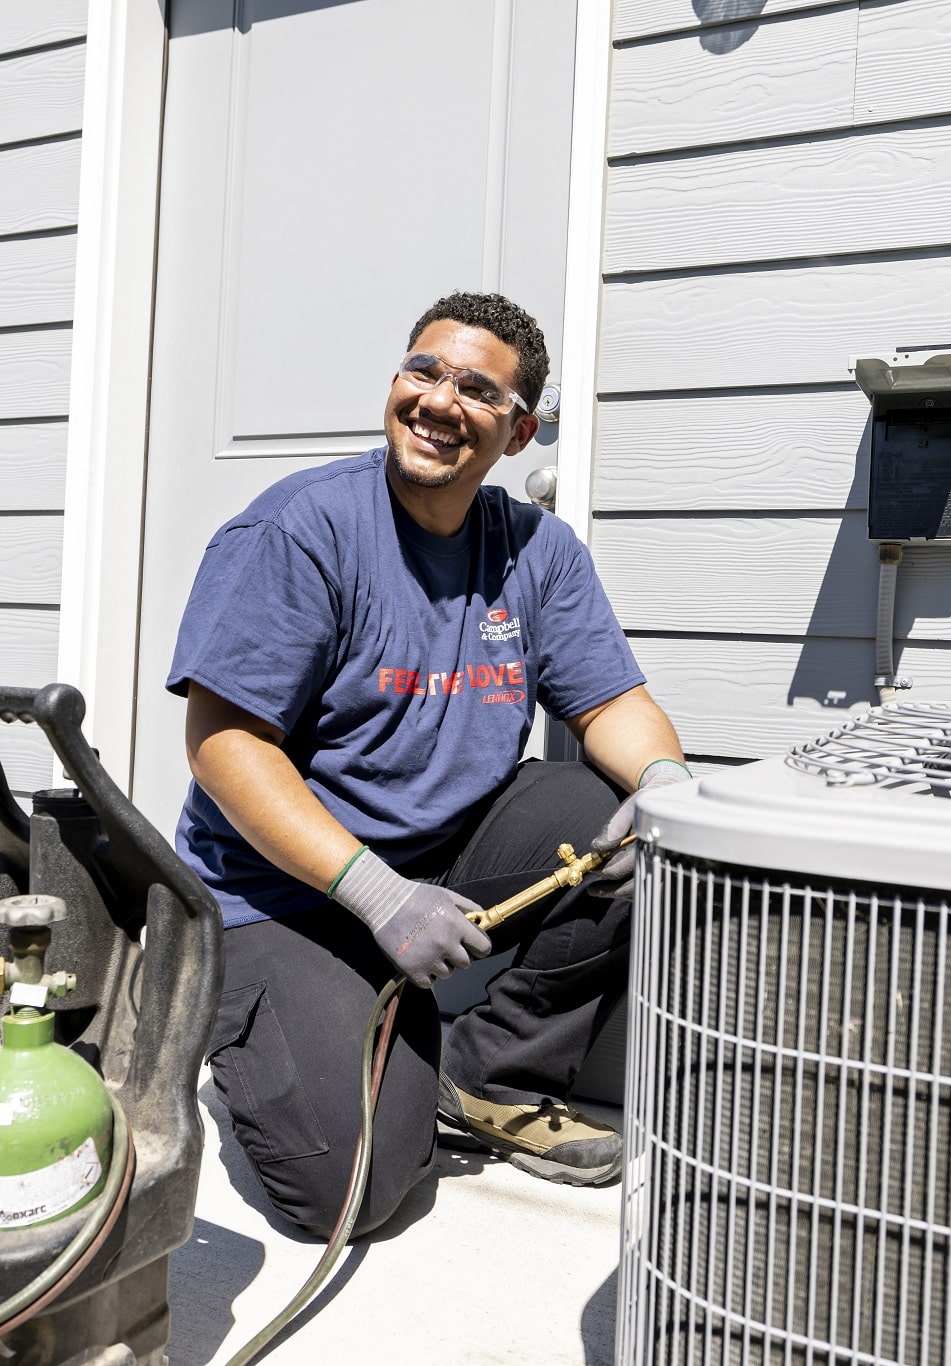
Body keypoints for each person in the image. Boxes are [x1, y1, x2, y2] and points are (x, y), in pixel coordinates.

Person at [167, 291, 691, 1238]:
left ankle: (486, 1076)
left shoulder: (536, 550)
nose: (439, 401)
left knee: (611, 818)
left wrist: (666, 787)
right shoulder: (302, 529)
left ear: (519, 429)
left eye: (477, 390)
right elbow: (223, 745)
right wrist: (374, 896)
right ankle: (255, 1017)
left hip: (442, 856)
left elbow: (613, 704)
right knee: (354, 1191)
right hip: (280, 891)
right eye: (423, 372)